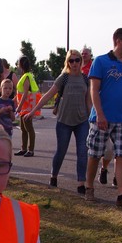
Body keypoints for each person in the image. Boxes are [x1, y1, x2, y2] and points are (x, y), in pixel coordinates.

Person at [84, 28, 122, 208]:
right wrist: (100, 114)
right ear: (118, 41)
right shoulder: (101, 61)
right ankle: (89, 187)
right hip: (102, 118)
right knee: (95, 154)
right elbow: (94, 90)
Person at [30, 49, 90, 195]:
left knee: (82, 152)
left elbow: (89, 101)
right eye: (71, 60)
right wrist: (33, 111)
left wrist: (92, 118)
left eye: (77, 60)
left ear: (81, 62)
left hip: (82, 121)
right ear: (67, 62)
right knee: (61, 151)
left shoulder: (85, 79)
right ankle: (54, 175)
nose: (74, 63)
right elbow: (48, 95)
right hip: (64, 121)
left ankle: (81, 183)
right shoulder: (64, 78)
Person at [14, 56, 39, 157]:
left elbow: (25, 93)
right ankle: (23, 148)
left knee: (29, 128)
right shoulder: (26, 76)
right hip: (25, 106)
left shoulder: (27, 77)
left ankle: (30, 149)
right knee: (23, 128)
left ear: (20, 65)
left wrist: (19, 106)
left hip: (27, 106)